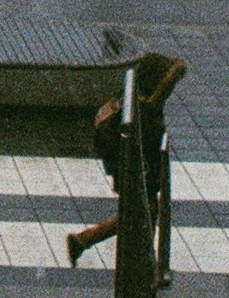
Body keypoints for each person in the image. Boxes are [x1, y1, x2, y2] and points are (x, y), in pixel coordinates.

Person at [68, 52, 187, 267]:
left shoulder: (128, 98)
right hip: (136, 167)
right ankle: (89, 241)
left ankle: (88, 240)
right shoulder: (145, 110)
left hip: (125, 164)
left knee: (140, 211)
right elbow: (148, 140)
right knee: (143, 210)